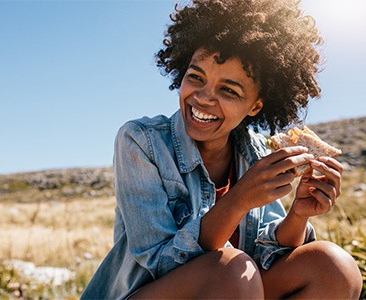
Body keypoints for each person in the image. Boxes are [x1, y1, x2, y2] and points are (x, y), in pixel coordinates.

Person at [82, 0, 362, 298]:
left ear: (255, 106)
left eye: (228, 90)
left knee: (333, 267)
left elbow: (267, 255)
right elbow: (159, 262)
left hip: (235, 289)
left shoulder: (256, 153)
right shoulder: (141, 141)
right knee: (232, 270)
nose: (203, 98)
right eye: (195, 77)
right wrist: (238, 200)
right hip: (148, 293)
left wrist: (299, 214)